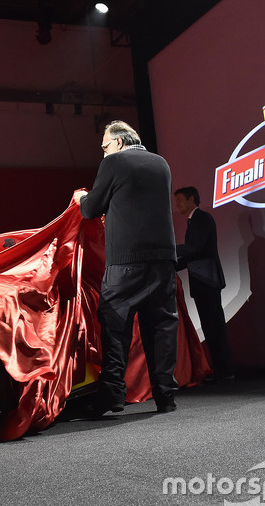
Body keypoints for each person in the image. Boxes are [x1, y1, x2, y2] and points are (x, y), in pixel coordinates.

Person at [73, 120, 179, 415]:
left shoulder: (115, 163)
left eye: (104, 146)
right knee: (161, 327)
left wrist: (82, 198)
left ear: (118, 143)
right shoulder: (161, 163)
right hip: (163, 260)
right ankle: (166, 396)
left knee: (115, 326)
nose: (103, 152)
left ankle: (113, 395)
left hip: (127, 261)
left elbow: (92, 208)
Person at [174, 186, 235, 382]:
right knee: (209, 328)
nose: (177, 205)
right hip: (202, 283)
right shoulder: (193, 221)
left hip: (208, 281)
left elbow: (194, 248)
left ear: (191, 199)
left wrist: (168, 250)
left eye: (180, 201)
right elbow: (194, 254)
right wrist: (171, 266)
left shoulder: (202, 218)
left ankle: (226, 371)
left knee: (215, 328)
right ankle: (221, 371)